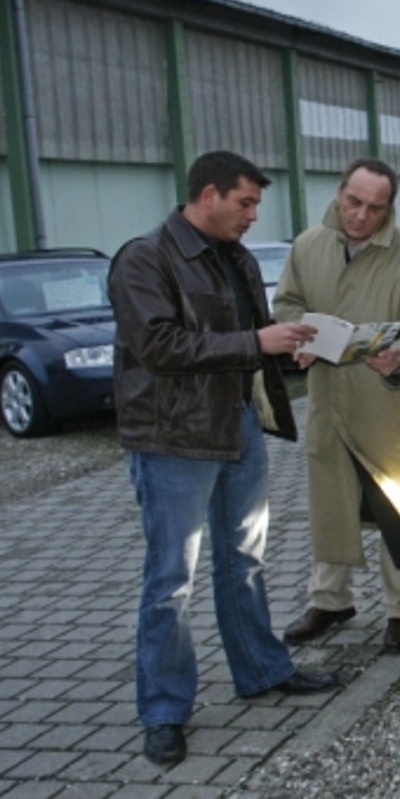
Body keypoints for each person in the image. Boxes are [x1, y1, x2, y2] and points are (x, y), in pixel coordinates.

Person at [110, 151, 338, 767]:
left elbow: (245, 338)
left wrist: (287, 351)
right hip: (173, 439)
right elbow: (157, 344)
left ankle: (262, 671)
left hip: (238, 426)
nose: (252, 216)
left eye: (256, 206)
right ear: (208, 194)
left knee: (244, 560)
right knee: (170, 580)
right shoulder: (144, 258)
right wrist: (253, 342)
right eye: (245, 203)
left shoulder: (234, 257)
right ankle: (163, 710)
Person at [274, 158, 400, 656]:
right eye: (354, 202)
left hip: (389, 413)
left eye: (375, 208)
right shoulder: (308, 247)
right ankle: (330, 600)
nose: (360, 216)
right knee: (331, 508)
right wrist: (298, 336)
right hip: (329, 409)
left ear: (389, 208)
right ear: (338, 193)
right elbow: (286, 304)